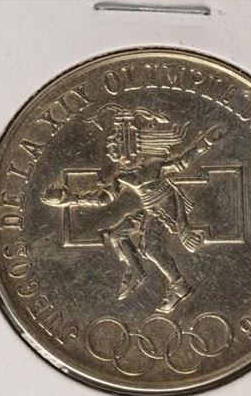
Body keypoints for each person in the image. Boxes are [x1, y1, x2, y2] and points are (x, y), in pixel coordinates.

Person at [40, 105, 223, 314]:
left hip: (166, 208)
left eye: (113, 144)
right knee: (117, 234)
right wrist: (72, 199)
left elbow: (182, 161)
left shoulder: (153, 164)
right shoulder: (122, 176)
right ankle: (136, 270)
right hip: (151, 209)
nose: (109, 149)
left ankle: (179, 286)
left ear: (127, 144)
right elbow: (103, 199)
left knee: (151, 248)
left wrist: (205, 143)